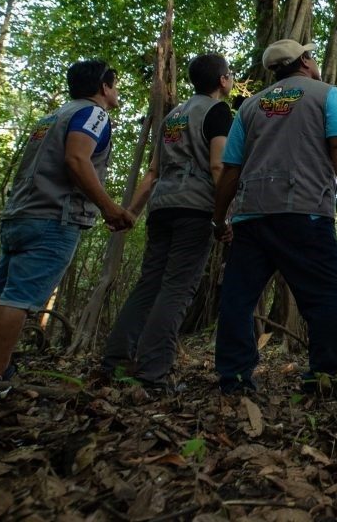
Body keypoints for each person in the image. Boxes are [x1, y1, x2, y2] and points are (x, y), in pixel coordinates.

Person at [0, 60, 136, 379]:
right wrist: (109, 208)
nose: (116, 91)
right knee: (17, 302)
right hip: (53, 218)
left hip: (20, 214)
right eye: (114, 84)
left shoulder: (53, 117)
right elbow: (76, 159)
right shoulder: (93, 114)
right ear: (103, 87)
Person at [212, 39, 337, 395]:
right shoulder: (327, 95)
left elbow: (231, 169)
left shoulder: (249, 107)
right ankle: (324, 373)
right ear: (306, 61)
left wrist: (220, 219)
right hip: (304, 211)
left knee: (238, 297)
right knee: (330, 294)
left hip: (251, 216)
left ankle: (233, 377)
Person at [96, 53, 235, 391]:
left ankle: (114, 362)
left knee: (150, 284)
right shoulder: (218, 112)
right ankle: (153, 373)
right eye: (229, 74)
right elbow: (219, 166)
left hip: (162, 208)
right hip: (195, 208)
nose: (231, 79)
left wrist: (132, 211)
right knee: (176, 289)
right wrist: (224, 216)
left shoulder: (173, 116)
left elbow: (153, 172)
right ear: (222, 81)